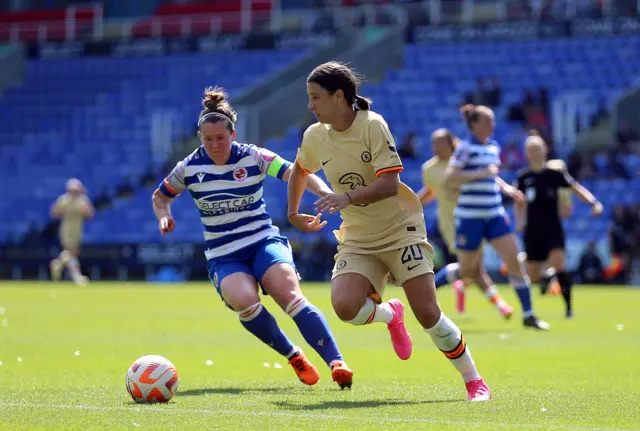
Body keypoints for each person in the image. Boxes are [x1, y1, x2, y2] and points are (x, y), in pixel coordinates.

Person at [287, 62, 490, 401]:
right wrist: (293, 213)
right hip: (358, 237)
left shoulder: (373, 125)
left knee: (427, 313)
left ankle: (474, 381)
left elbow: (389, 184)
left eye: (315, 97)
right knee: (345, 307)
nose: (310, 105)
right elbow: (300, 169)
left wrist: (346, 196)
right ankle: (390, 313)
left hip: (401, 230)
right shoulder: (315, 135)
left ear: (339, 96)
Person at [152, 87, 353, 389]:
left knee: (291, 296)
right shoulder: (189, 167)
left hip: (262, 242)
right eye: (208, 140)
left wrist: (325, 192)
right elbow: (160, 196)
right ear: (200, 139)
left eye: (221, 138)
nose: (215, 144)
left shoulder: (254, 156)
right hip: (224, 253)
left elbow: (296, 172)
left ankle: (337, 362)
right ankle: (293, 355)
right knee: (243, 300)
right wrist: (164, 215)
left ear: (232, 135)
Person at [443, 104, 549, 330]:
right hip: (470, 217)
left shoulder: (492, 147)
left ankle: (529, 315)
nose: (492, 125)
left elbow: (492, 178)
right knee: (466, 271)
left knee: (514, 261)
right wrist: (482, 173)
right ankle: (429, 288)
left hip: (494, 214)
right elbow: (451, 176)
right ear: (474, 125)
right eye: (487, 121)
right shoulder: (465, 148)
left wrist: (507, 189)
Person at [417, 128, 513, 318]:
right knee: (472, 266)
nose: (436, 147)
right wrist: (413, 203)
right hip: (451, 223)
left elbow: (487, 176)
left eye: (440, 143)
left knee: (473, 267)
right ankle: (500, 306)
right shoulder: (429, 168)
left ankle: (445, 287)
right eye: (433, 143)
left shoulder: (462, 162)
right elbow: (432, 190)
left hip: (474, 216)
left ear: (451, 143)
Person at [514, 131, 603, 318]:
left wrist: (594, 203)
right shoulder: (523, 177)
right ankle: (546, 275)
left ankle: (569, 309)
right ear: (526, 153)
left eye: (537, 148)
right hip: (532, 231)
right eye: (530, 149)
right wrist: (520, 221)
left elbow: (576, 188)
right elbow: (519, 202)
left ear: (545, 150)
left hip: (553, 227)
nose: (534, 152)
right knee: (534, 276)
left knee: (559, 264)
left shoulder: (555, 174)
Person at [49, 178, 94, 286]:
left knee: (72, 252)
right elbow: (54, 212)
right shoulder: (64, 200)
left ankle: (58, 264)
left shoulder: (82, 200)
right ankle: (77, 277)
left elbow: (90, 214)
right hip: (67, 228)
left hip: (77, 228)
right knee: (71, 251)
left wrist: (85, 209)